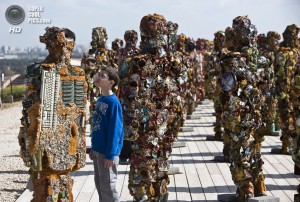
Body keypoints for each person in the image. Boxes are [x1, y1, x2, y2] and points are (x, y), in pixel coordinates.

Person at [89, 67, 124, 202]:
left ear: (111, 82)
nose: (98, 77)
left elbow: (116, 130)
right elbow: (97, 126)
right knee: (99, 183)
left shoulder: (113, 103)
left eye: (102, 75)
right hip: (98, 150)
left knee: (108, 186)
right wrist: (93, 148)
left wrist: (110, 155)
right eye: (98, 74)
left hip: (107, 153)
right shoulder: (100, 100)